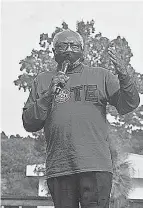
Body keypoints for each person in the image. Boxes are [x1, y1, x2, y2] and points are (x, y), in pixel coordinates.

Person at [22, 29, 140, 208]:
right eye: (63, 46)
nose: (69, 50)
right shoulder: (42, 80)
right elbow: (29, 123)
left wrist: (124, 76)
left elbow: (129, 104)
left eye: (74, 45)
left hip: (96, 166)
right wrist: (47, 95)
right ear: (54, 52)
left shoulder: (101, 76)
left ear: (82, 50)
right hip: (59, 168)